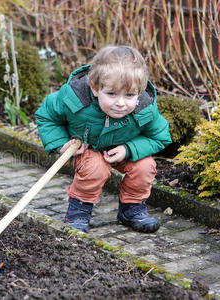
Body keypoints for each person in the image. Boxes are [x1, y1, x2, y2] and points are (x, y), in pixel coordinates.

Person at [35, 45, 171, 233]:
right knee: (95, 168)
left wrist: (129, 149)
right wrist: (60, 144)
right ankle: (79, 210)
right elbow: (46, 116)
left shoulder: (145, 109)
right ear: (95, 88)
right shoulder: (74, 98)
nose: (121, 103)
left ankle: (131, 209)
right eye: (112, 94)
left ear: (139, 92)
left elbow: (159, 137)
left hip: (123, 149)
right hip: (88, 149)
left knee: (145, 166)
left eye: (130, 95)